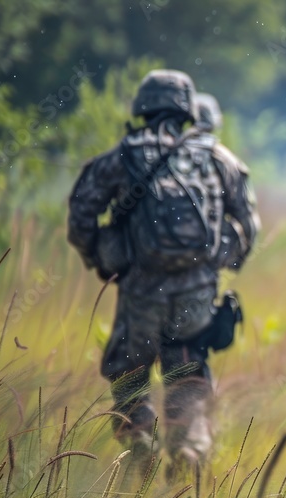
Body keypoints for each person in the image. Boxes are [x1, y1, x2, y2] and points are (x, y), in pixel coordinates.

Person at [67, 70, 259, 477]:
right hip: (196, 294)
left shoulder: (124, 154)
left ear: (143, 106)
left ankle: (138, 437)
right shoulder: (215, 156)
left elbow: (81, 212)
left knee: (129, 370)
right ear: (187, 108)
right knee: (188, 372)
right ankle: (188, 449)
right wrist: (220, 262)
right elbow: (249, 223)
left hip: (139, 291)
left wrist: (102, 257)